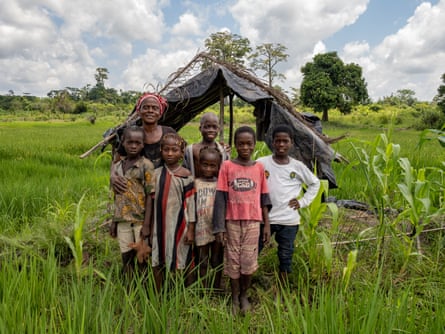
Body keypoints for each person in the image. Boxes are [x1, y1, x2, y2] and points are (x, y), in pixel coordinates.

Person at [213, 126, 272, 314]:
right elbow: (221, 197)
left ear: (254, 145)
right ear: (235, 145)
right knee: (232, 261)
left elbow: (264, 198)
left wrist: (266, 225)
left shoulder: (259, 168)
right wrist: (219, 227)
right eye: (241, 144)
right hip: (232, 221)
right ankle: (234, 296)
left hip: (253, 221)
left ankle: (244, 295)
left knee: (248, 260)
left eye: (249, 144)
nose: (245, 147)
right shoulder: (227, 166)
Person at [257, 124, 320, 287]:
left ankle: (282, 285)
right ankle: (251, 279)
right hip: (265, 219)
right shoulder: (261, 163)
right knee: (254, 250)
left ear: (291, 143)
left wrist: (302, 202)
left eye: (285, 141)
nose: (281, 145)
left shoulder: (297, 166)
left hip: (289, 220)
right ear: (272, 142)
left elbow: (315, 183)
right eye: (278, 141)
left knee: (285, 254)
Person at [150, 133, 196, 291]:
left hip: (179, 226)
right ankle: (158, 295)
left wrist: (191, 229)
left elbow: (191, 205)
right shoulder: (155, 175)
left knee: (179, 258)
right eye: (166, 149)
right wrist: (147, 226)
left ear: (181, 152)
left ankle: (178, 293)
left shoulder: (186, 176)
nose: (170, 153)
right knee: (157, 258)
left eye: (174, 150)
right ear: (161, 150)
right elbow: (151, 201)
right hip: (159, 225)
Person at [109, 126, 155, 280]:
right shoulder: (117, 167)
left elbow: (150, 195)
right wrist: (114, 221)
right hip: (122, 220)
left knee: (142, 257)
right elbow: (116, 197)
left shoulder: (146, 165)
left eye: (137, 143)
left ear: (143, 145)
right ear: (123, 143)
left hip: (140, 220)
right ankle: (129, 290)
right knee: (126, 257)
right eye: (130, 142)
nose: (133, 146)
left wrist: (147, 224)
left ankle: (144, 290)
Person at [111, 92, 176, 195]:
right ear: (139, 111)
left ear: (160, 113)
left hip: (164, 188)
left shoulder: (169, 132)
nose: (150, 111)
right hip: (137, 190)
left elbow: (180, 156)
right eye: (146, 107)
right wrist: (113, 176)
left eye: (154, 108)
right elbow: (116, 161)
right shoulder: (133, 135)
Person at [194, 147, 223, 290]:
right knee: (202, 260)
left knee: (216, 259)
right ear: (199, 165)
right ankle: (203, 288)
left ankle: (216, 287)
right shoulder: (195, 183)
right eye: (205, 165)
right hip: (200, 227)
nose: (208, 169)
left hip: (217, 228)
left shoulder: (221, 184)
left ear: (219, 167)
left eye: (213, 166)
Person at [183, 111, 229, 178]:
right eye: (207, 127)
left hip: (216, 187)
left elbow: (226, 171)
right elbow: (185, 170)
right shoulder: (191, 149)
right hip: (195, 186)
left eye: (214, 127)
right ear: (200, 128)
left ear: (218, 129)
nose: (211, 130)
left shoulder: (223, 151)